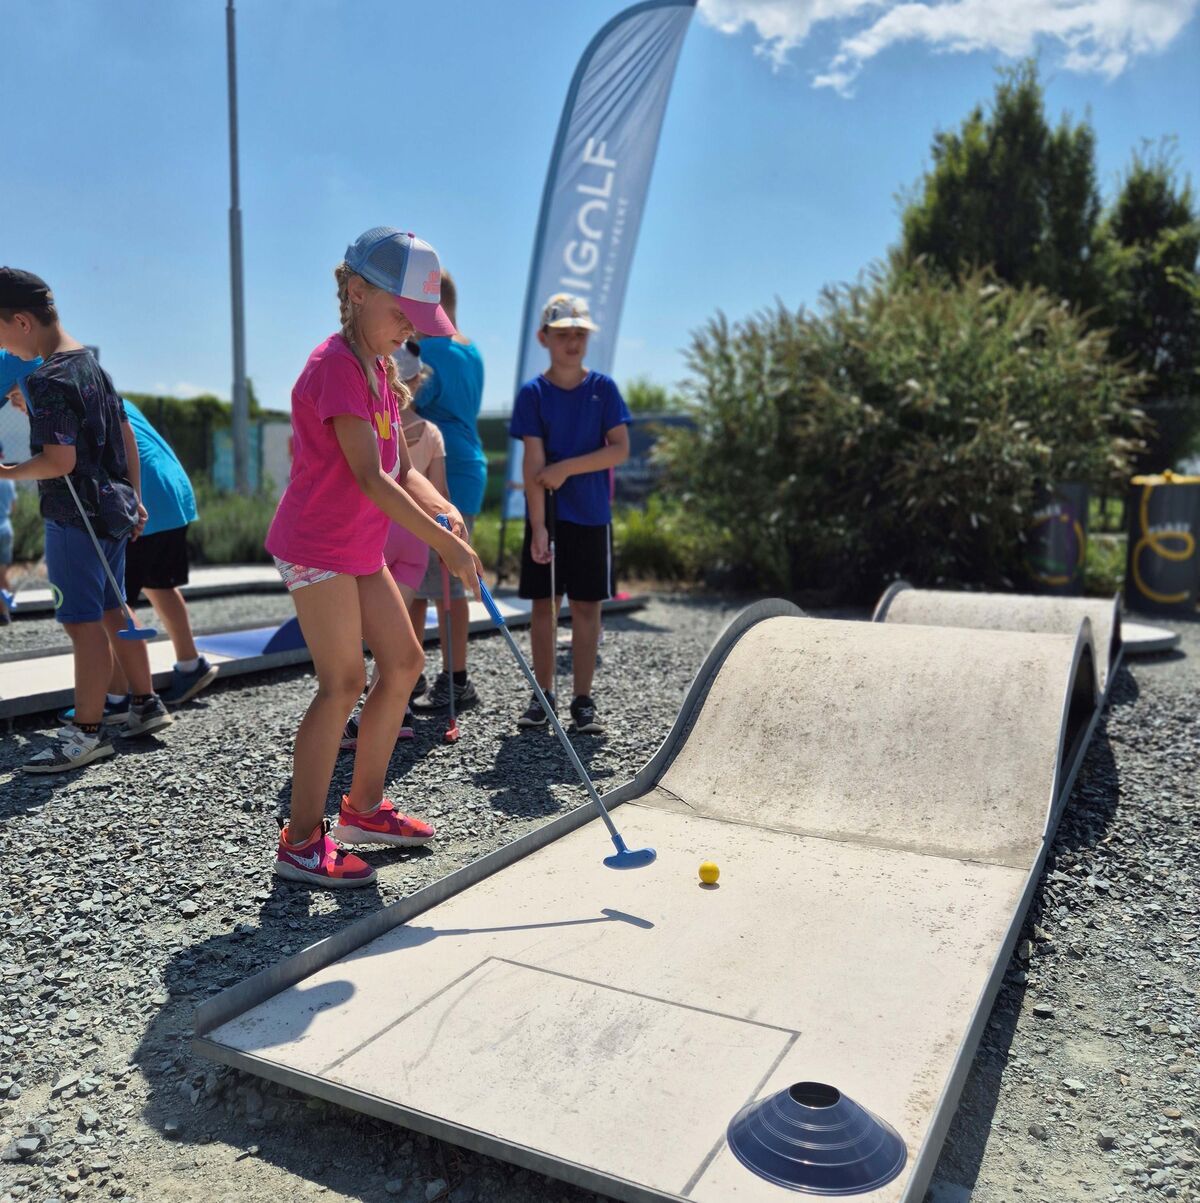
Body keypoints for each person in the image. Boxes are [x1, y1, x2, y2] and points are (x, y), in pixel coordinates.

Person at [266, 228, 481, 889]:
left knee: (405, 663)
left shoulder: (381, 371)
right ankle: (302, 842)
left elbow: (401, 468)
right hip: (316, 546)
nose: (410, 330)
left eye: (419, 320)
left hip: (356, 548)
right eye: (402, 314)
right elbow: (368, 476)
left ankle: (361, 811)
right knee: (341, 683)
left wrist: (444, 510)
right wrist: (443, 544)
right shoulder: (334, 365)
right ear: (357, 293)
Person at [0, 267, 172, 772]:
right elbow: (124, 434)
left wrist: (7, 472)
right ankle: (145, 702)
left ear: (22, 321)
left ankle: (86, 732)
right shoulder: (90, 367)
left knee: (82, 624)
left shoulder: (47, 378)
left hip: (73, 519)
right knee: (115, 609)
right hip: (112, 510)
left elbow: (59, 462)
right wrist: (135, 498)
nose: (3, 346)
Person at [509, 293, 631, 734]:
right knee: (544, 607)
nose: (573, 341)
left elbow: (619, 449)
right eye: (563, 334)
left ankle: (583, 700)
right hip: (549, 516)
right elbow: (532, 465)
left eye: (580, 333)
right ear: (544, 337)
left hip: (592, 516)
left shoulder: (603, 388)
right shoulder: (533, 394)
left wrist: (566, 468)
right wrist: (538, 526)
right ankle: (542, 696)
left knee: (586, 607)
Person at [341, 339, 446, 748]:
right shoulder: (430, 433)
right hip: (416, 541)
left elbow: (368, 480)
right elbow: (438, 492)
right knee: (394, 635)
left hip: (381, 533)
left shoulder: (373, 419)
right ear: (418, 381)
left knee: (369, 635)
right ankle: (393, 711)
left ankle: (370, 714)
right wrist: (446, 529)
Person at [409, 271, 487, 715]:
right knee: (443, 582)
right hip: (469, 465)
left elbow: (405, 403)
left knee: (425, 584)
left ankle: (442, 679)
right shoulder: (470, 349)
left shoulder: (427, 353)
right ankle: (447, 676)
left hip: (437, 470)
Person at [0, 441, 15, 620]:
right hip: (5, 528)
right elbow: (13, 506)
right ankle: (5, 611)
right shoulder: (7, 477)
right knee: (2, 575)